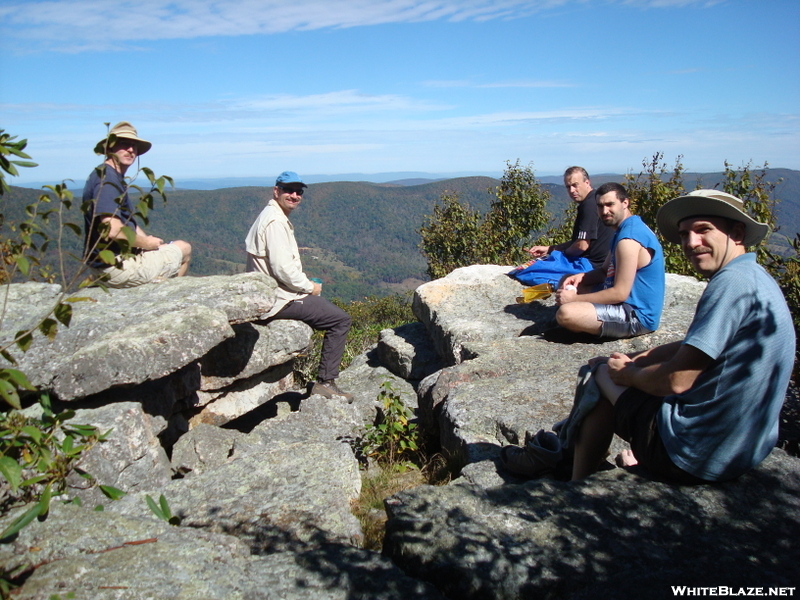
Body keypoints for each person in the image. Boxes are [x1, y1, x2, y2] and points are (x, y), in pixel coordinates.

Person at [568, 189, 795, 482]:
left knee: (599, 372)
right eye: (685, 233)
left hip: (694, 454)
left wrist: (628, 374)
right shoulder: (755, 278)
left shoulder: (728, 286)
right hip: (744, 450)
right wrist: (640, 358)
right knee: (625, 370)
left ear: (737, 232)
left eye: (703, 231)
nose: (691, 242)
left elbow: (676, 382)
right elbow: (697, 347)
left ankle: (576, 481)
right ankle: (624, 455)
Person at [245, 171, 353, 402]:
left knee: (325, 308)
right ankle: (326, 381)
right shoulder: (274, 222)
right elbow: (282, 268)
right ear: (276, 191)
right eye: (289, 190)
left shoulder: (272, 215)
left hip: (273, 293)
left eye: (299, 192)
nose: (294, 195)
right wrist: (309, 288)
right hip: (278, 299)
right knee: (340, 320)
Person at [82, 121, 191, 288]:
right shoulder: (108, 181)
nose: (131, 150)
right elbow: (112, 229)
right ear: (109, 148)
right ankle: (168, 294)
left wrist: (148, 242)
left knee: (163, 249)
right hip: (117, 266)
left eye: (134, 146)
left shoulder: (108, 176)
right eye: (124, 144)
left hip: (105, 264)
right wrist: (146, 244)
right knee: (184, 248)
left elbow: (128, 223)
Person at [554, 182, 664, 339]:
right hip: (621, 302)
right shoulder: (624, 229)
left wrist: (575, 299)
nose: (604, 211)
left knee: (566, 314)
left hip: (636, 314)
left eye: (610, 204)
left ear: (625, 203)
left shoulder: (628, 240)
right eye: (600, 206)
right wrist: (581, 277)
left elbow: (619, 294)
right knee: (568, 281)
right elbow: (605, 271)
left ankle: (583, 326)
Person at [526, 166, 613, 269]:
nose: (572, 190)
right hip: (597, 264)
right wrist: (550, 249)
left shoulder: (589, 205)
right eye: (568, 186)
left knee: (533, 270)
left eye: (575, 185)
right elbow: (577, 242)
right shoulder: (593, 200)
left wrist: (559, 255)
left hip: (591, 266)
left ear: (587, 183)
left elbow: (581, 245)